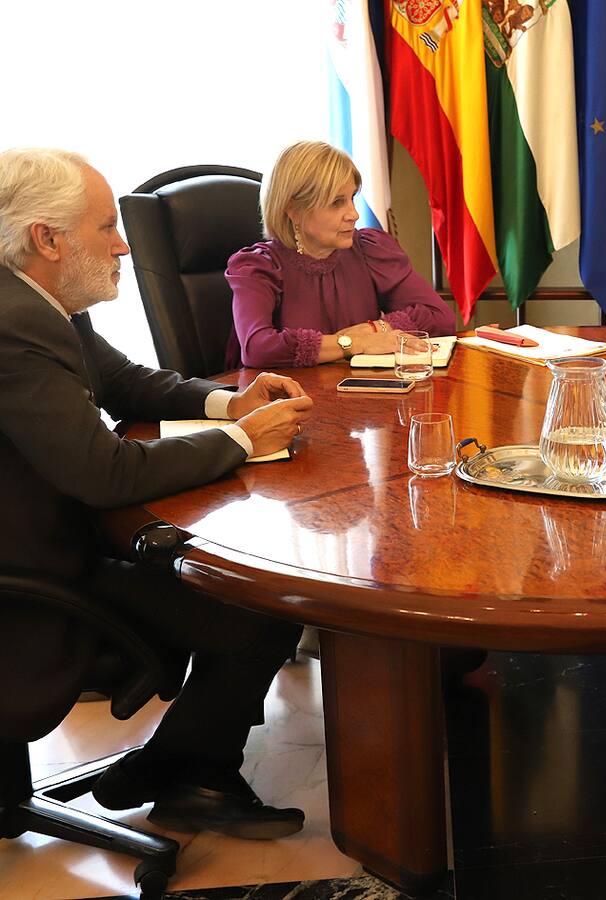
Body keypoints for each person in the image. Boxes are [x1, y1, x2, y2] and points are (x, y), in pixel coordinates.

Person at [0, 147, 314, 839]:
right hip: (30, 579)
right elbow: (104, 473)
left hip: (53, 538)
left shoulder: (36, 299)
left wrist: (231, 405)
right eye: (108, 226)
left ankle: (175, 765)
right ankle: (192, 773)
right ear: (45, 239)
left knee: (250, 586)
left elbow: (128, 383)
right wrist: (243, 443)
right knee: (261, 600)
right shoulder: (13, 324)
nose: (122, 246)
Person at [226, 140, 454, 368]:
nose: (353, 214)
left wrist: (374, 329)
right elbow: (257, 348)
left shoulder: (369, 249)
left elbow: (440, 317)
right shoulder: (259, 267)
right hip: (286, 398)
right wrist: (351, 343)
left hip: (359, 392)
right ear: (293, 210)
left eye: (352, 197)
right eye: (336, 203)